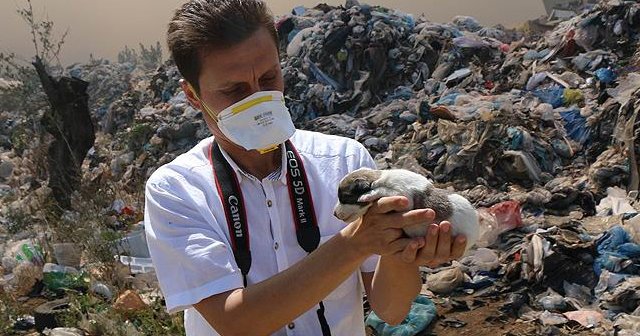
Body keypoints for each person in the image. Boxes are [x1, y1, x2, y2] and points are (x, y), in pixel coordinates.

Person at [144, 1, 467, 335]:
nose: (259, 99)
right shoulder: (176, 189)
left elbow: (391, 310)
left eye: (269, 78)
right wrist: (354, 243)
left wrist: (408, 247)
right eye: (234, 91)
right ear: (193, 96)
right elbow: (236, 322)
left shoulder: (344, 162)